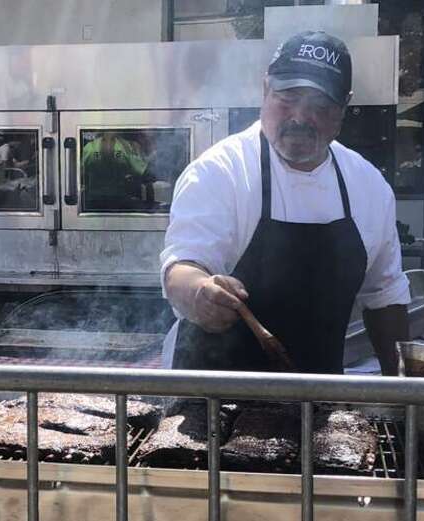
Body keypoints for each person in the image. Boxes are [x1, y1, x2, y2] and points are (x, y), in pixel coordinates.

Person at [160, 31, 410, 375]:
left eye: (320, 106)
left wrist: (404, 392)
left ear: (344, 108)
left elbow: (386, 297)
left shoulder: (368, 187)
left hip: (318, 405)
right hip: (213, 397)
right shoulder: (221, 171)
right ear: (265, 90)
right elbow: (182, 269)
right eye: (287, 97)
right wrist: (200, 292)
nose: (300, 117)